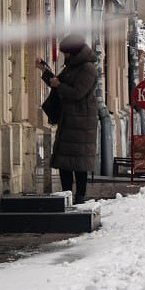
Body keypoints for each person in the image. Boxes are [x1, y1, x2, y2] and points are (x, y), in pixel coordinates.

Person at [36, 34, 99, 205]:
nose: (64, 56)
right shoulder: (72, 67)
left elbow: (78, 92)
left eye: (66, 53)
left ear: (73, 52)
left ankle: (80, 197)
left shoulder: (87, 68)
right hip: (70, 119)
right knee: (65, 161)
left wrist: (59, 85)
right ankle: (66, 196)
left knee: (79, 162)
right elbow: (59, 83)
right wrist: (45, 72)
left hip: (81, 122)